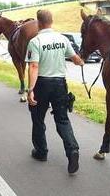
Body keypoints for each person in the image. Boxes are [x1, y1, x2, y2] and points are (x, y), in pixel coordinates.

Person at [25, 10, 85, 174]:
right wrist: (81, 62)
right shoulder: (62, 39)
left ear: (39, 23)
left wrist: (30, 90)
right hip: (60, 85)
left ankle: (41, 152)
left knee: (38, 119)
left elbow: (34, 66)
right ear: (51, 22)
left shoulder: (35, 41)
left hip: (41, 85)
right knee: (62, 120)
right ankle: (72, 150)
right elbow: (76, 59)